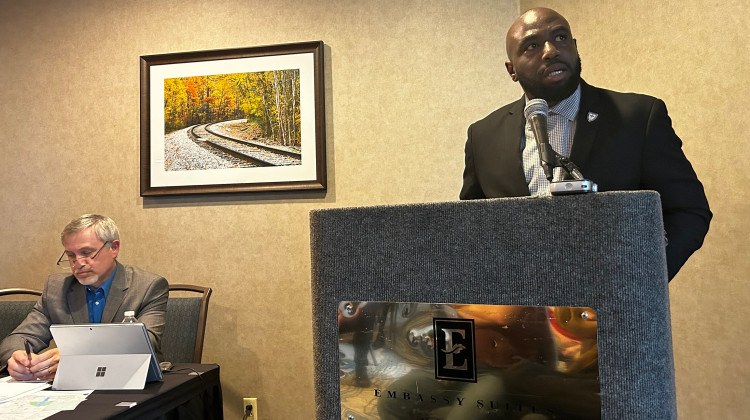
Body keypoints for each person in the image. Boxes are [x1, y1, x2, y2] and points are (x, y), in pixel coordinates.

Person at [460, 7, 711, 281]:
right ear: (512, 70)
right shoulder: (482, 136)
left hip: (616, 307)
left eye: (560, 37)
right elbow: (472, 229)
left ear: (575, 47)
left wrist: (641, 281)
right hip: (520, 313)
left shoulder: (639, 117)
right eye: (532, 45)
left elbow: (688, 211)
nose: (551, 50)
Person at [0, 214, 169, 381]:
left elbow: (145, 342)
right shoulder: (56, 288)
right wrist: (17, 358)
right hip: (74, 386)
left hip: (132, 383)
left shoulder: (148, 286)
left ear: (114, 248)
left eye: (86, 253)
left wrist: (75, 355)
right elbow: (20, 337)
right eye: (71, 255)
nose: (78, 263)